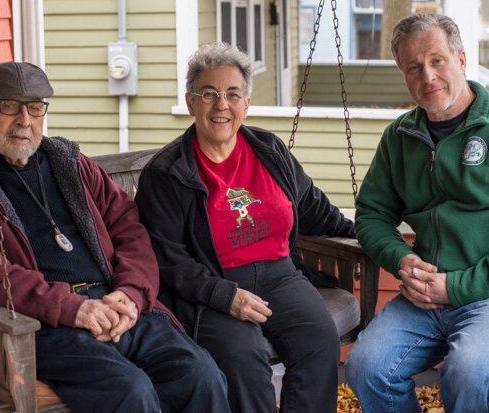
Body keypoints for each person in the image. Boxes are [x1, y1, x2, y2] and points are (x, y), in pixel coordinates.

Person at [0, 62, 229, 413]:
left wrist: (130, 294)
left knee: (202, 375)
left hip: (114, 305)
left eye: (35, 107)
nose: (24, 119)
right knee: (130, 392)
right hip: (44, 323)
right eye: (9, 105)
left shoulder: (69, 163)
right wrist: (72, 308)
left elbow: (129, 228)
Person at [345, 13, 489, 412]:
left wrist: (457, 287)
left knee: (467, 371)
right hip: (431, 290)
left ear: (462, 60)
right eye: (413, 67)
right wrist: (404, 260)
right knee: (367, 366)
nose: (427, 76)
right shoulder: (400, 138)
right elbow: (371, 214)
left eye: (437, 60)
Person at [134, 43, 355, 413]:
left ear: (246, 103)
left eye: (232, 94)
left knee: (318, 340)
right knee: (242, 360)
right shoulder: (167, 173)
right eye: (209, 93)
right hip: (212, 287)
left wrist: (360, 234)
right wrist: (225, 296)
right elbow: (168, 259)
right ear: (191, 103)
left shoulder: (268, 149)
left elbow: (312, 206)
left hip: (281, 276)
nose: (222, 104)